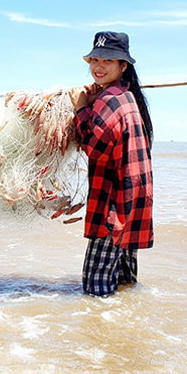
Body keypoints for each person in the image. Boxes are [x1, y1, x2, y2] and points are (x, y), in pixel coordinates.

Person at [70, 31, 154, 296]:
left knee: (96, 290)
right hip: (131, 201)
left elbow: (93, 149)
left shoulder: (110, 100)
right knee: (124, 283)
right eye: (95, 59)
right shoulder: (126, 96)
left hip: (113, 203)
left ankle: (99, 334)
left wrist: (81, 108)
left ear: (123, 66)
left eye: (108, 60)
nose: (99, 66)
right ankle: (124, 330)